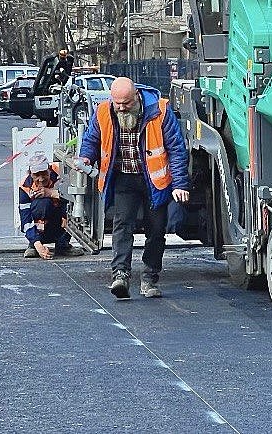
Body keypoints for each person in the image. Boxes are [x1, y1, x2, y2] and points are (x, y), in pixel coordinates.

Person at [79, 77, 190, 299]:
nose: (121, 108)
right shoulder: (103, 111)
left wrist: (179, 184)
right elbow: (92, 138)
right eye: (117, 103)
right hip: (123, 178)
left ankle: (149, 278)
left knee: (156, 230)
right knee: (122, 226)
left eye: (126, 103)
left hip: (155, 183)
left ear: (136, 97)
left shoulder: (159, 110)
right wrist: (86, 157)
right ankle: (120, 275)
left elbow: (176, 149)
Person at [18, 153, 76, 259]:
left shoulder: (61, 174)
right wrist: (37, 243)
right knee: (42, 204)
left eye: (44, 173)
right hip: (40, 226)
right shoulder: (25, 187)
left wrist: (52, 193)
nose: (41, 179)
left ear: (49, 169)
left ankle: (63, 244)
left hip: (58, 221)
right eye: (37, 175)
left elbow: (75, 197)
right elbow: (25, 219)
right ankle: (34, 244)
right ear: (30, 174)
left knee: (71, 207)